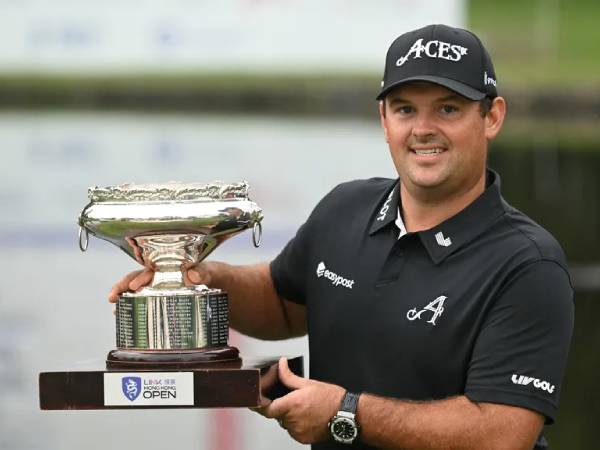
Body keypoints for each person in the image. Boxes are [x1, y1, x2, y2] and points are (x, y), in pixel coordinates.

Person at [109, 24, 574, 450]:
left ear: (491, 117)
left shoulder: (528, 264)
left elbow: (501, 433)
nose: (423, 129)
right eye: (405, 109)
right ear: (384, 120)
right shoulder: (345, 208)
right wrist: (197, 279)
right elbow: (281, 303)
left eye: (448, 109)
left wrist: (344, 413)